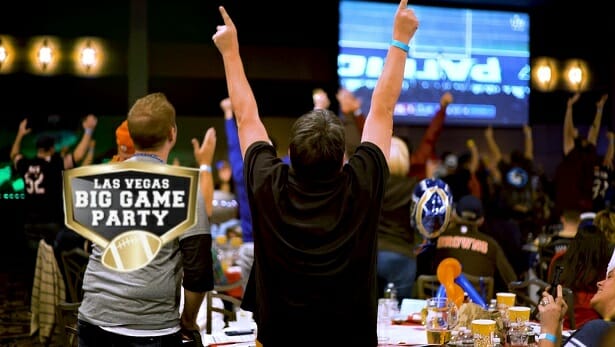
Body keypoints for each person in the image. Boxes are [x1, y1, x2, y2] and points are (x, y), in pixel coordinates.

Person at [212, 1, 418, 346]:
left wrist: (230, 53)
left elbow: (246, 117)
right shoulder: (362, 183)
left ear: (290, 154)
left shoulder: (269, 182)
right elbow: (382, 109)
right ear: (343, 159)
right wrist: (400, 40)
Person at [77, 92, 215, 346]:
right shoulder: (185, 188)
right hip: (152, 330)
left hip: (93, 321)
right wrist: (188, 321)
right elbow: (199, 271)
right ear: (172, 134)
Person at [11, 115, 97, 275]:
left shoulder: (26, 164)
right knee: (54, 268)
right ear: (51, 149)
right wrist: (88, 131)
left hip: (30, 224)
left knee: (34, 268)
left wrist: (20, 134)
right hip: (51, 224)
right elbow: (77, 157)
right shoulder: (54, 164)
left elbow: (14, 154)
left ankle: (34, 297)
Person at [434, 194, 518, 292]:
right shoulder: (491, 245)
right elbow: (512, 281)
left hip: (439, 303)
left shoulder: (438, 238)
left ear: (454, 214)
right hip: (477, 305)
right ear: (481, 220)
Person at [540, 247, 615, 347]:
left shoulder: (598, 329)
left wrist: (547, 330)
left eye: (609, 277)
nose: (599, 283)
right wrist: (556, 324)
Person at [376, 136, 419, 301]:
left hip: (373, 254)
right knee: (399, 316)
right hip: (403, 255)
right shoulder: (415, 187)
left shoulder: (372, 184)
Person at [220, 97, 254, 294]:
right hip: (275, 246)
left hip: (249, 246)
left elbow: (234, 146)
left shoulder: (242, 172)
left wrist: (228, 114)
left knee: (247, 305)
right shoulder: (278, 170)